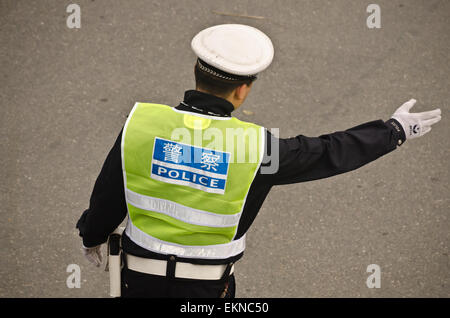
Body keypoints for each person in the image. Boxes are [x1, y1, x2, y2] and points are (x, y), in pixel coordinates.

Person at [76, 24, 442, 298]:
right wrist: (393, 130)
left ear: (196, 71)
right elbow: (329, 151)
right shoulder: (259, 150)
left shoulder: (139, 125)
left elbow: (108, 193)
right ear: (242, 90)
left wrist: (92, 235)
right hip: (209, 289)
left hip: (136, 281)